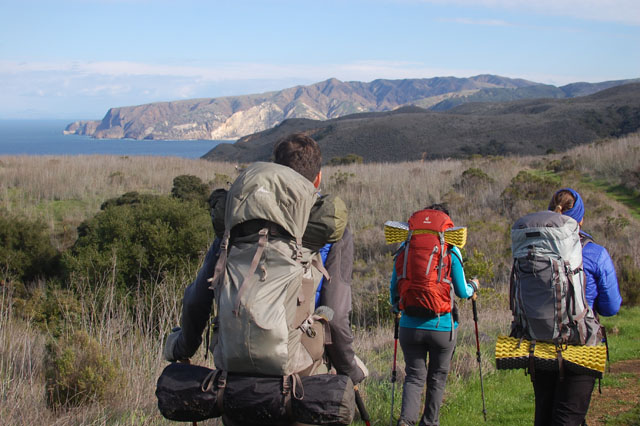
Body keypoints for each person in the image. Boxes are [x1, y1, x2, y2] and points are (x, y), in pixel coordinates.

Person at [162, 134, 366, 415]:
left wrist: (182, 346)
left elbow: (198, 297)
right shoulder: (326, 227)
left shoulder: (237, 222)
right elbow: (338, 314)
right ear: (317, 179)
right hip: (299, 383)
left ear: (274, 171)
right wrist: (349, 370)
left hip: (233, 382)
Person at [531, 188, 622, 426]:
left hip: (540, 344)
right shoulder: (594, 254)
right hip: (582, 346)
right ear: (580, 219)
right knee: (568, 418)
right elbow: (612, 306)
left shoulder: (532, 253)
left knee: (544, 415)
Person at [389, 203, 478, 426]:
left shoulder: (406, 247)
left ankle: (406, 422)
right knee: (437, 379)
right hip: (442, 327)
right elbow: (461, 291)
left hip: (409, 326)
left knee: (414, 377)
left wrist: (397, 307)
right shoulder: (450, 248)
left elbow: (394, 288)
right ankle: (429, 423)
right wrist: (474, 286)